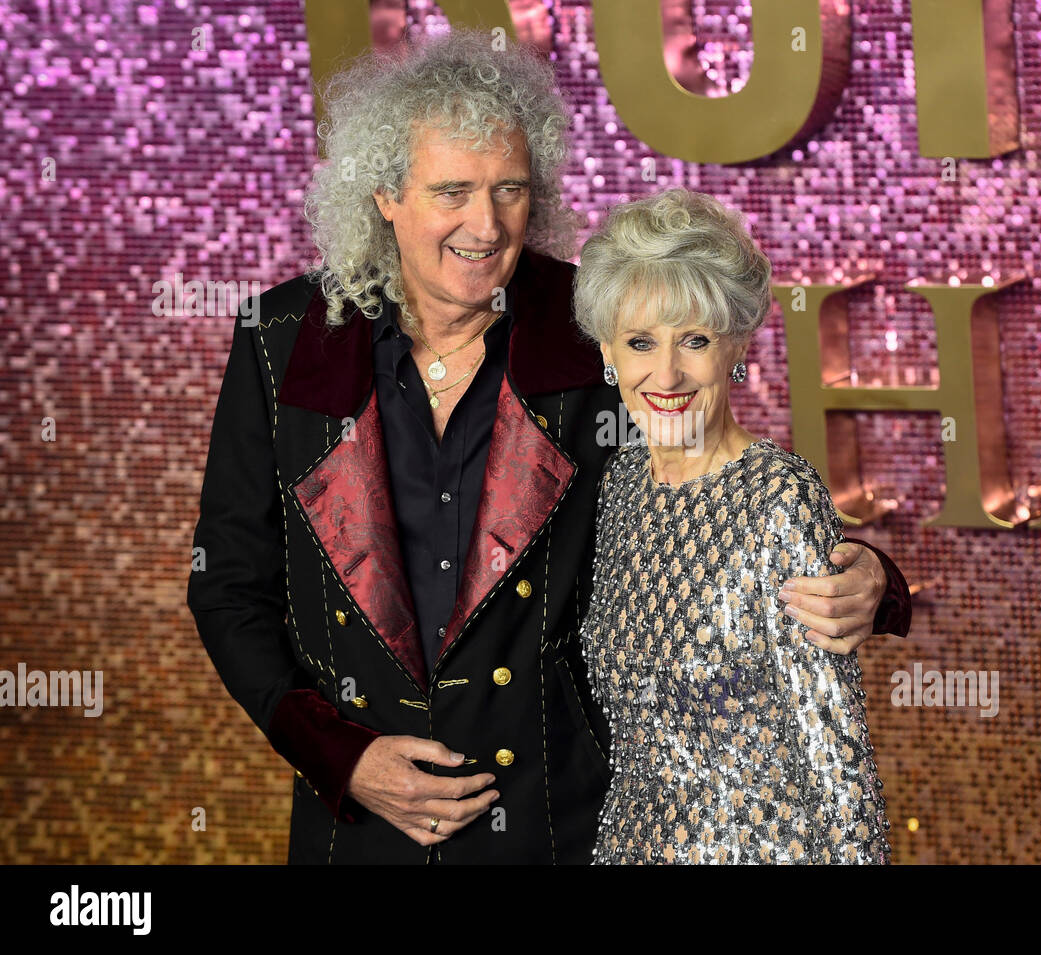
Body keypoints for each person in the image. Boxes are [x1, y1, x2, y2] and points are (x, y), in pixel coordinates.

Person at [186, 29, 910, 864]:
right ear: (384, 193)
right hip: (358, 832)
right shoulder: (284, 340)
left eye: (510, 190)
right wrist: (339, 757)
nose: (485, 225)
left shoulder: (590, 325)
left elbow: (717, 484)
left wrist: (869, 578)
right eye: (452, 190)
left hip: (552, 821)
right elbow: (229, 587)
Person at [575, 189, 891, 863]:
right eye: (640, 342)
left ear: (737, 346)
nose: (666, 373)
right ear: (609, 351)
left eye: (694, 339)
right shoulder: (619, 486)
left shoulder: (779, 496)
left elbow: (834, 751)